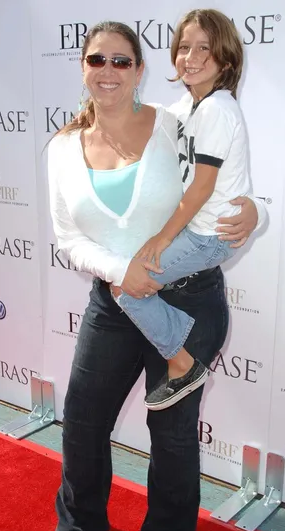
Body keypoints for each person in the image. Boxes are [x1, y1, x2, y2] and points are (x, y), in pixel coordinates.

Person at [40, 20, 266, 531]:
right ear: (83, 67)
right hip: (114, 303)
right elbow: (68, 239)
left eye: (122, 61)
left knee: (171, 432)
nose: (109, 71)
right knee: (84, 421)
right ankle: (81, 521)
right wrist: (123, 274)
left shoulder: (173, 122)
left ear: (141, 70)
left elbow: (217, 181)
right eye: (98, 60)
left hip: (188, 301)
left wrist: (259, 212)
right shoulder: (63, 148)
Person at [112, 8, 254, 412]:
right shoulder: (190, 107)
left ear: (225, 59)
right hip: (199, 231)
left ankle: (184, 361)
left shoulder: (216, 109)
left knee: (127, 285)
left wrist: (162, 238)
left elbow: (201, 190)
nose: (189, 58)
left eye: (203, 49)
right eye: (183, 48)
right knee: (129, 281)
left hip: (208, 236)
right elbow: (149, 120)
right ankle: (184, 343)